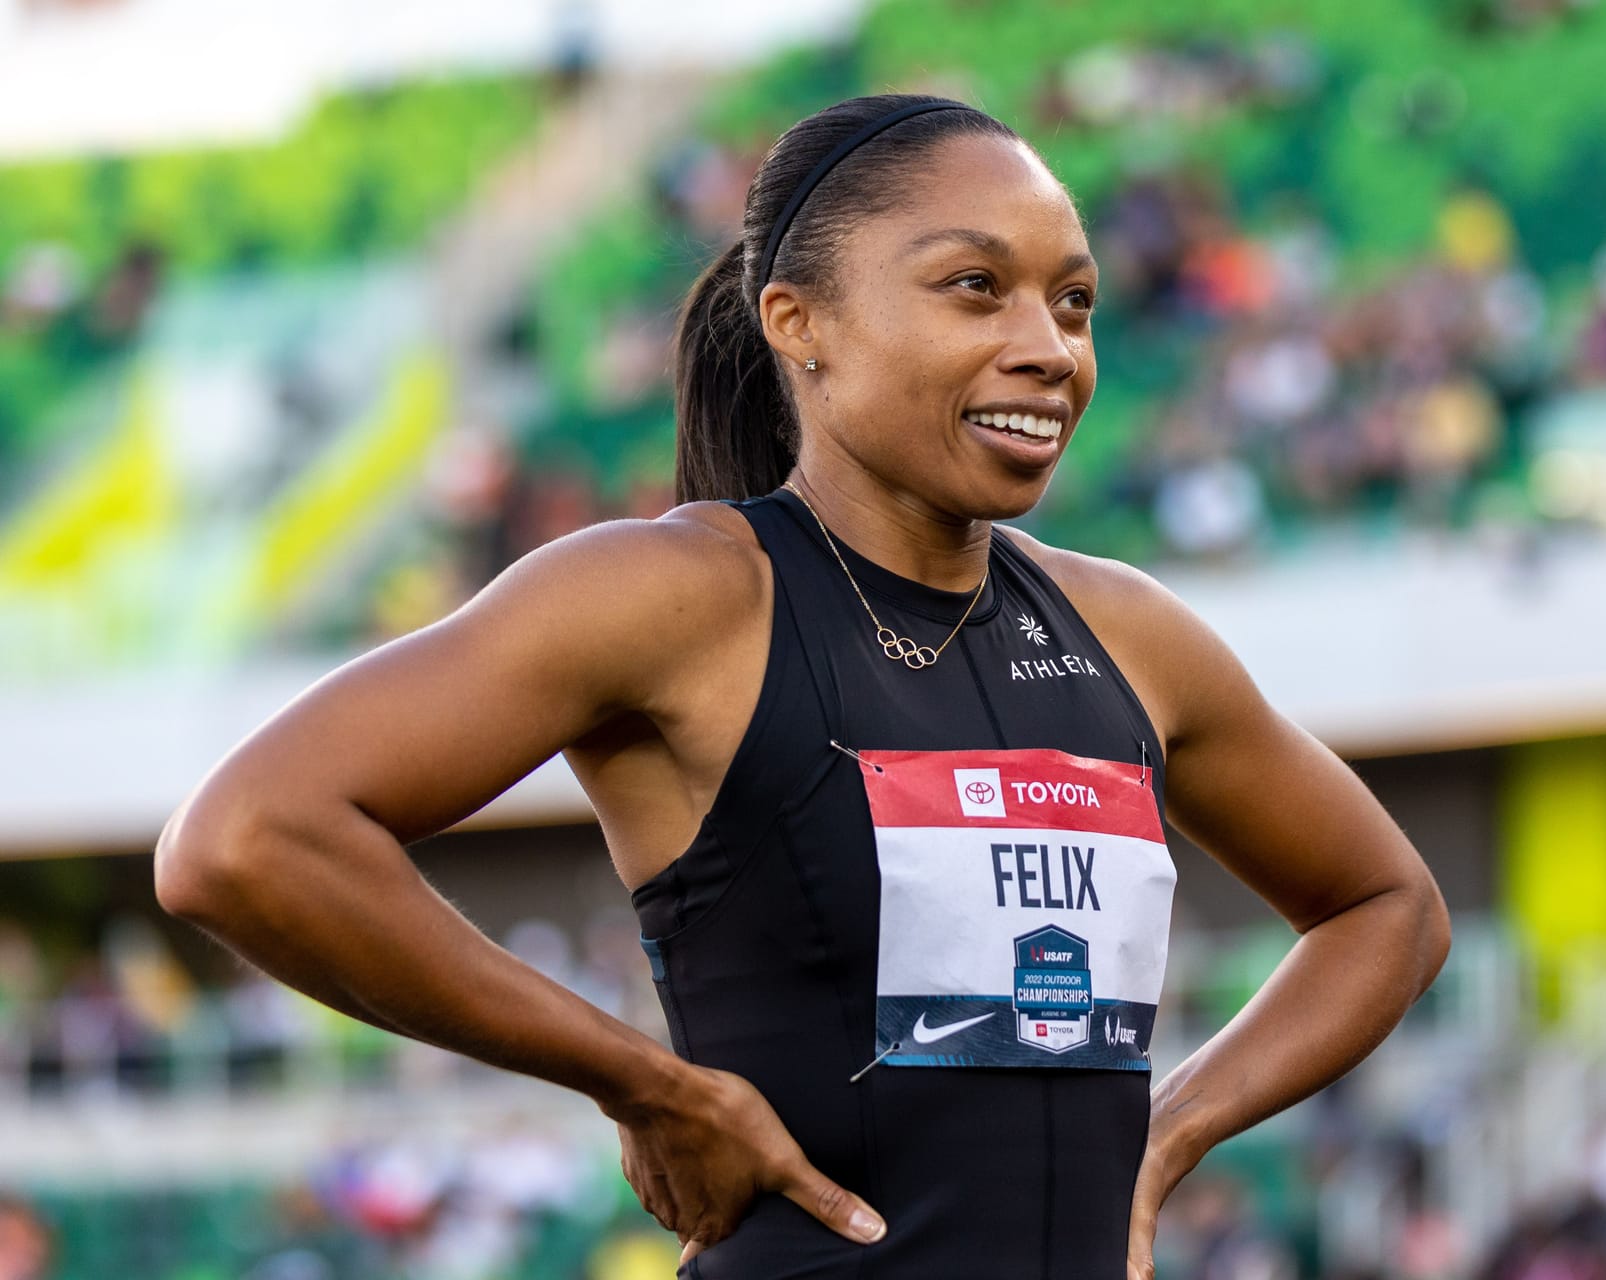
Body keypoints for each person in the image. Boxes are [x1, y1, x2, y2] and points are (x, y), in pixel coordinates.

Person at [155, 94, 1450, 1279]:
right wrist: (642, 1083)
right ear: (800, 324)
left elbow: (1387, 905)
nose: (1045, 347)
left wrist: (1172, 1133)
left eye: (1073, 301)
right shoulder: (682, 599)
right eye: (973, 288)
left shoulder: (1131, 632)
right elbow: (247, 841)